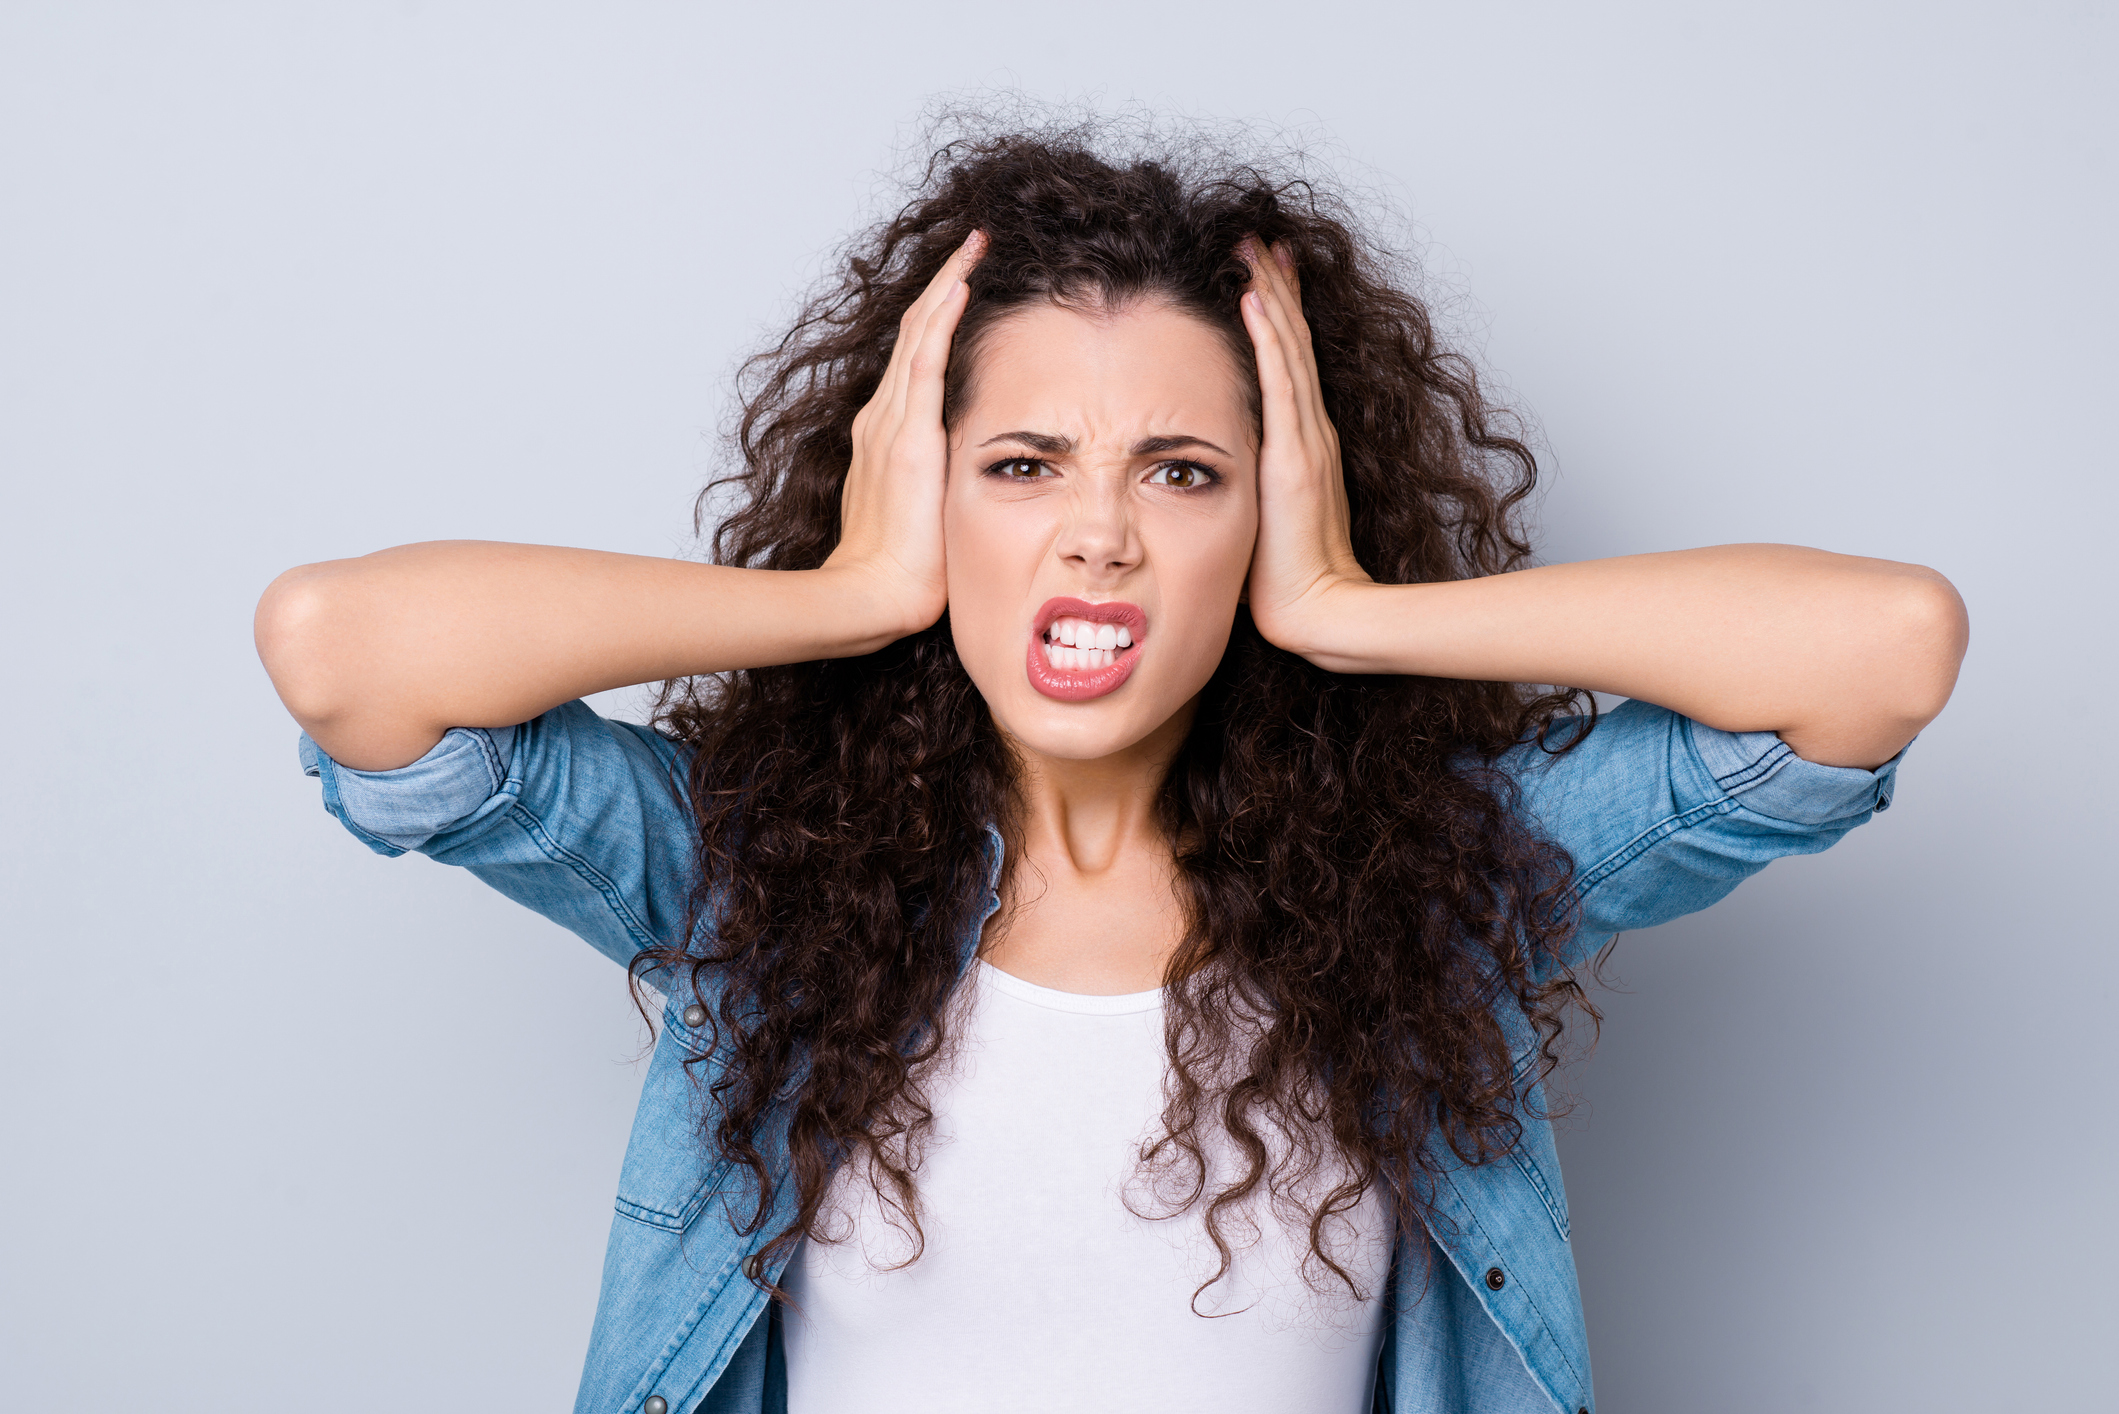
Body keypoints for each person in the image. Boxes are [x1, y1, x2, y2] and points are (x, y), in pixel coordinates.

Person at [254, 130, 1968, 1414]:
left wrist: (1351, 612)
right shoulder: (756, 874)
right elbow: (348, 657)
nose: (1098, 534)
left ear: (1272, 511)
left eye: (1182, 472)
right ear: (929, 502)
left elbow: (1881, 656)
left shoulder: (1436, 880)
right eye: (1020, 462)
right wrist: (846, 592)